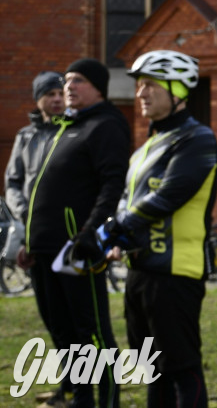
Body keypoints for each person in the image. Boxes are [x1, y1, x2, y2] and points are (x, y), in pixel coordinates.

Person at [99, 49, 217, 408]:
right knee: (152, 370)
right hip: (141, 272)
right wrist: (117, 237)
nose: (140, 93)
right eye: (139, 86)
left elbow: (169, 196)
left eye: (150, 85)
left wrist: (118, 227)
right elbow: (127, 200)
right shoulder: (146, 148)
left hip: (175, 274)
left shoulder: (197, 139)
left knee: (183, 370)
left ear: (178, 89)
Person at [23, 58, 131, 408]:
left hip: (76, 249)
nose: (68, 86)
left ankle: (109, 403)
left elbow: (112, 185)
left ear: (99, 88)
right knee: (66, 333)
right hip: (45, 249)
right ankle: (81, 400)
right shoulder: (68, 125)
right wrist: (30, 239)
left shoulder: (106, 125)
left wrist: (90, 233)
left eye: (78, 81)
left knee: (95, 334)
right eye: (67, 80)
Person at [5, 70, 65, 224]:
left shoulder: (73, 133)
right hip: (29, 223)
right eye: (51, 94)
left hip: (64, 222)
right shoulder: (25, 136)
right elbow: (12, 182)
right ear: (38, 99)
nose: (58, 99)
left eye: (61, 93)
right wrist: (24, 212)